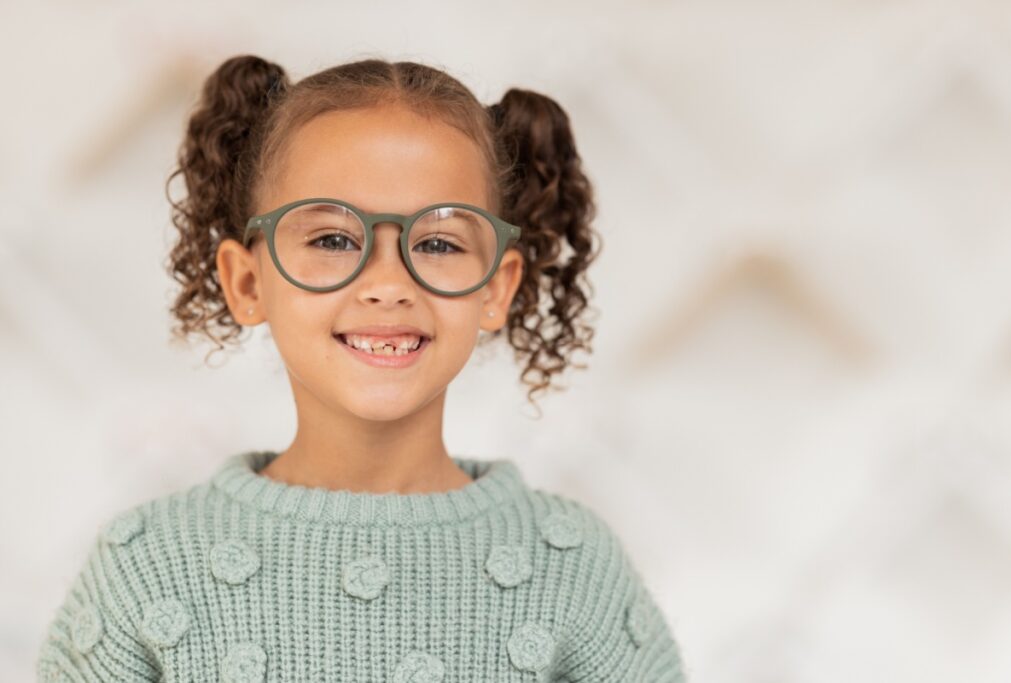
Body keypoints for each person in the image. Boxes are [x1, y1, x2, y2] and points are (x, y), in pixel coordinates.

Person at [35, 54, 688, 682]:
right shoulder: (146, 563)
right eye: (331, 239)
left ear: (496, 285)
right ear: (246, 281)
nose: (387, 284)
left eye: (436, 242)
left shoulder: (572, 564)